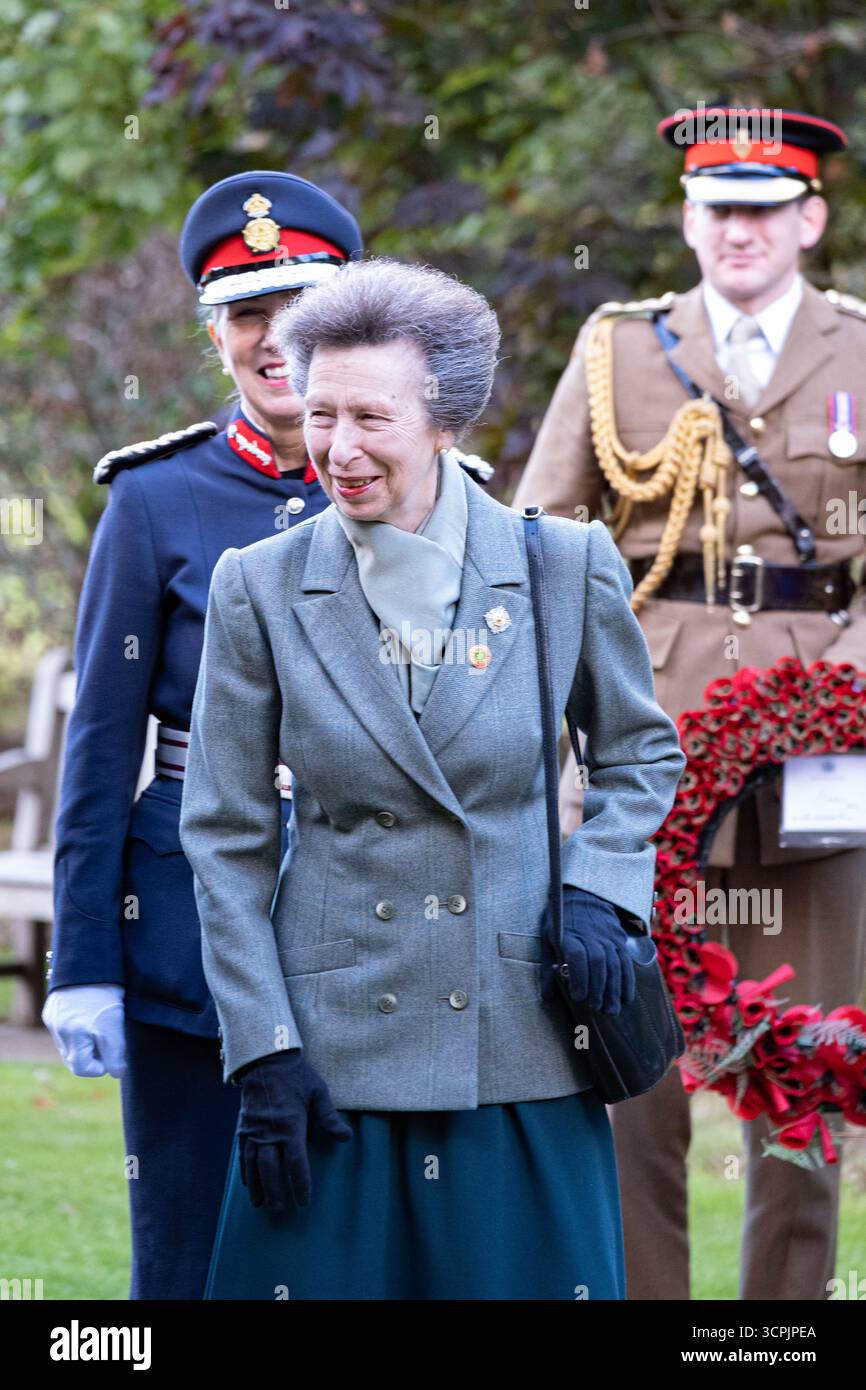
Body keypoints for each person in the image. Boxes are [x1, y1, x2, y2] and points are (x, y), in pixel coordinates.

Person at [178, 256, 686, 1300]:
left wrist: (598, 887)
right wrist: (261, 1048)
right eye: (320, 415)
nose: (338, 448)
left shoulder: (562, 564)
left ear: (445, 419)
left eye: (371, 416)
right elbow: (222, 835)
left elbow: (638, 754)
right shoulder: (258, 586)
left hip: (515, 1045)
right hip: (328, 1064)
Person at [512, 106, 866, 1301]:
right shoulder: (620, 350)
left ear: (808, 218)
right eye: (718, 208)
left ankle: (779, 1320)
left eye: (764, 208)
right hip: (640, 743)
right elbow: (547, 535)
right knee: (627, 1055)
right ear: (686, 218)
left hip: (818, 750)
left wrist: (844, 682)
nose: (739, 230)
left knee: (807, 1060)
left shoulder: (859, 348)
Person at [41, 170, 364, 1299]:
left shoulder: (424, 490)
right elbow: (97, 750)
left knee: (350, 1248)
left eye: (302, 310)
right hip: (179, 921)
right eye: (246, 315)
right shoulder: (153, 498)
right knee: (184, 1252)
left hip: (374, 917)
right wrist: (81, 961)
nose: (275, 340)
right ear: (214, 335)